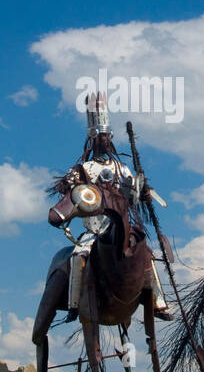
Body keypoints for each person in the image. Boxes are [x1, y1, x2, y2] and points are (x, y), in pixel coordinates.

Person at [63, 92, 172, 320]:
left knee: (147, 255)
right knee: (78, 255)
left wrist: (142, 191)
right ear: (92, 139)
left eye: (106, 136)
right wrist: (71, 184)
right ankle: (74, 304)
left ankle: (158, 301)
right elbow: (73, 193)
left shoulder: (122, 169)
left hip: (121, 228)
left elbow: (132, 193)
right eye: (98, 136)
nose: (103, 140)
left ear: (110, 138)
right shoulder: (85, 168)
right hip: (94, 230)